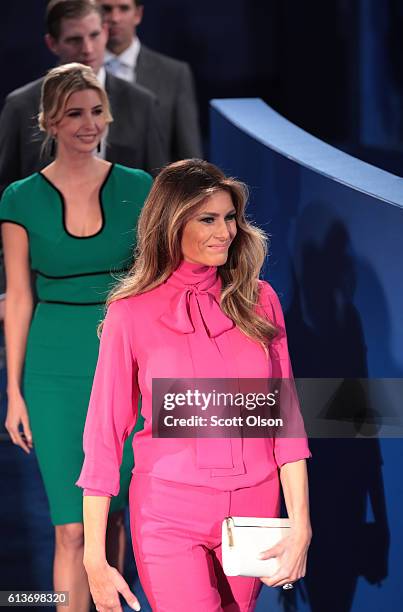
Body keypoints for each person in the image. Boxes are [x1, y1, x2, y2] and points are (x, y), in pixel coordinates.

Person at [77, 159, 312, 611]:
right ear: (171, 223)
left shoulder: (259, 300)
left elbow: (287, 424)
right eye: (208, 219)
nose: (224, 231)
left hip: (254, 511)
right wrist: (94, 558)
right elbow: (104, 437)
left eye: (229, 218)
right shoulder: (131, 313)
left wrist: (301, 524)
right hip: (166, 512)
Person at [0, 63, 152, 612]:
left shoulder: (140, 189)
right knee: (70, 528)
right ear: (49, 121)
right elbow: (18, 298)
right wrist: (14, 392)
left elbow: (156, 282)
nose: (88, 125)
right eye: (74, 114)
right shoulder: (19, 199)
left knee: (112, 517)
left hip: (125, 364)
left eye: (96, 112)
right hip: (53, 370)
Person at [0, 0, 165, 196]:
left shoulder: (141, 102)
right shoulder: (20, 105)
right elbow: (5, 187)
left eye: (94, 35)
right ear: (52, 43)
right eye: (74, 39)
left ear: (105, 32)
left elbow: (159, 188)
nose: (87, 49)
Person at [99, 0, 203, 162]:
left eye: (124, 8)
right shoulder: (77, 72)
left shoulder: (174, 74)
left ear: (138, 14)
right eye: (106, 9)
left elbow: (189, 154)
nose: (115, 18)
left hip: (154, 185)